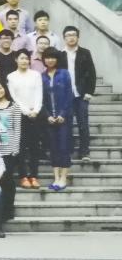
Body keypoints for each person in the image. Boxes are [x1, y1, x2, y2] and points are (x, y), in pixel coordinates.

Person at [7, 51, 44, 189]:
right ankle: (23, 176)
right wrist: (26, 111)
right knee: (21, 146)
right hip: (19, 114)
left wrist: (36, 110)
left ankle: (33, 175)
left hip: (35, 114)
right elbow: (13, 97)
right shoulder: (11, 76)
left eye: (26, 58)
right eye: (21, 58)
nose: (24, 61)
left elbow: (39, 94)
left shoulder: (36, 75)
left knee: (35, 147)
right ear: (16, 60)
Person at [62, 26, 96, 162]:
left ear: (78, 37)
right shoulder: (60, 54)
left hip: (81, 94)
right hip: (66, 95)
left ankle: (84, 152)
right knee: (67, 124)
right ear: (64, 38)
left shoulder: (85, 53)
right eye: (68, 35)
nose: (71, 37)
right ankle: (68, 151)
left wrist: (89, 92)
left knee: (83, 124)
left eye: (73, 35)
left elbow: (92, 73)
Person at [0, 80, 20, 224]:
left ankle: (8, 210)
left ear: (5, 88)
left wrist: (15, 147)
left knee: (7, 180)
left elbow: (17, 128)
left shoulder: (14, 106)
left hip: (9, 149)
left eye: (0, 88)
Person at [42, 50, 73, 191]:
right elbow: (40, 99)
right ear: (44, 59)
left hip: (63, 119)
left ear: (57, 59)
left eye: (53, 57)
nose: (50, 60)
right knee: (53, 148)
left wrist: (63, 114)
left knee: (64, 147)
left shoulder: (64, 74)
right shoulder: (42, 76)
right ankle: (56, 178)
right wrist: (47, 115)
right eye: (47, 57)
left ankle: (63, 178)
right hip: (49, 119)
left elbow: (69, 95)